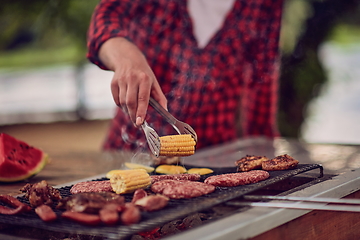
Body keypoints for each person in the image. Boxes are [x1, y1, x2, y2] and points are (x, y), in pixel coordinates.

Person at [87, 0, 283, 152]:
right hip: (129, 147)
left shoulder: (264, 3)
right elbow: (106, 16)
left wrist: (265, 150)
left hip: (214, 155)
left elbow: (262, 74)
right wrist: (126, 57)